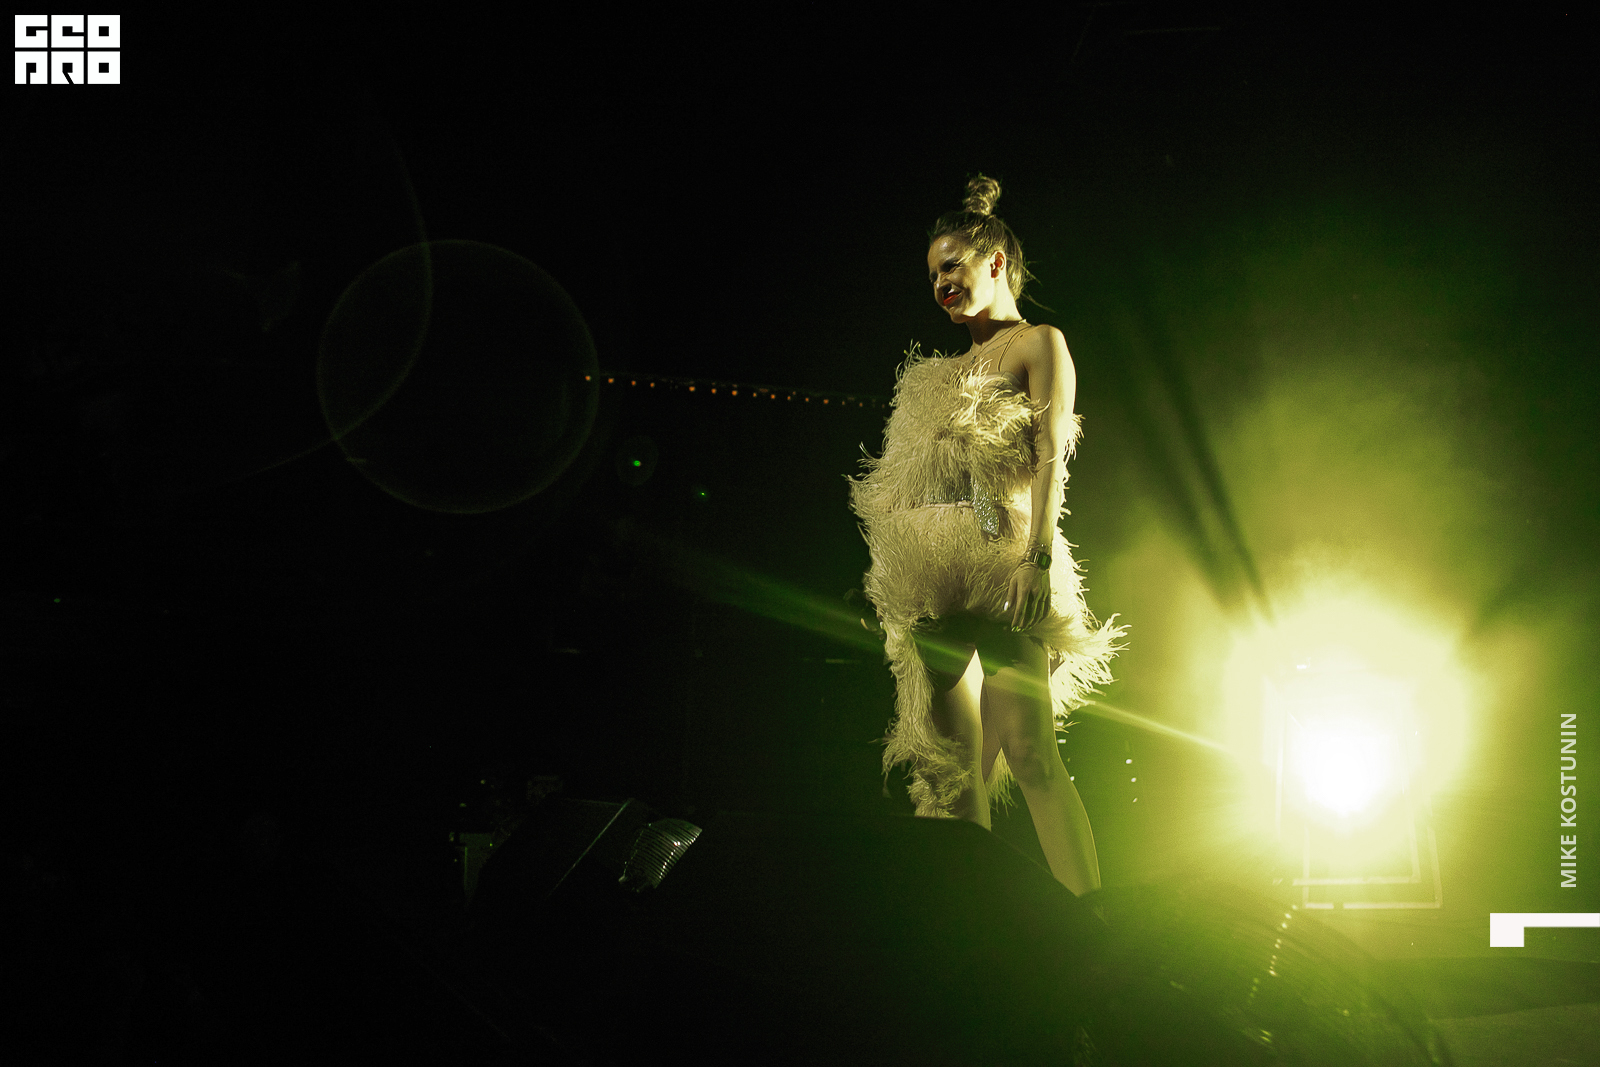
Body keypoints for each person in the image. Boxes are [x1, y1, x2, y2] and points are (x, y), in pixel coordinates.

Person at [849, 175, 1125, 896]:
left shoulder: (1039, 343)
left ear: (995, 261)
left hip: (1003, 565)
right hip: (933, 580)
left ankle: (1093, 921)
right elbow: (910, 481)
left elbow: (1051, 456)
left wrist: (1037, 558)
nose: (941, 283)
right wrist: (891, 578)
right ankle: (967, 928)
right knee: (951, 776)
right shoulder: (935, 376)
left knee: (1030, 754)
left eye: (952, 266)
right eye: (932, 275)